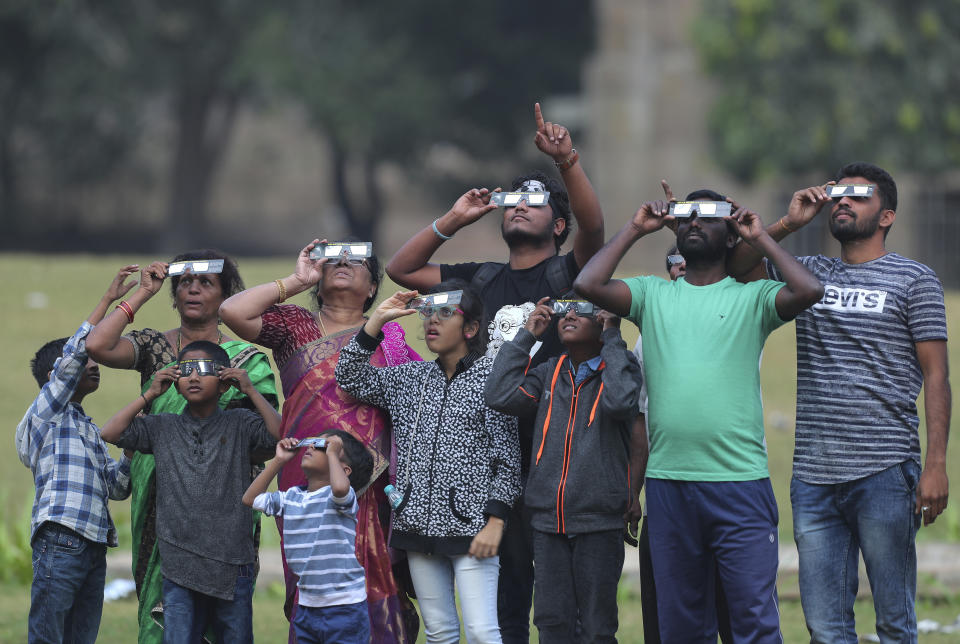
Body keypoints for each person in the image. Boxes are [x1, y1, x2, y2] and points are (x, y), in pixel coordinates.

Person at [385, 103, 605, 642]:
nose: (519, 209)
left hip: (555, 446)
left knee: (560, 598)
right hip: (490, 450)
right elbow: (401, 270)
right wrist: (454, 221)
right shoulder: (481, 279)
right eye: (513, 202)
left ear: (556, 223)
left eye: (536, 202)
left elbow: (595, 227)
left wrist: (566, 162)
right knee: (503, 593)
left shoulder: (569, 271)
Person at [574, 181, 824, 642]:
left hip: (739, 486)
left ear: (731, 235)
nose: (693, 221)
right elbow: (588, 283)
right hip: (670, 487)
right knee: (682, 626)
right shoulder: (652, 294)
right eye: (687, 214)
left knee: (753, 622)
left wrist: (760, 236)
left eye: (708, 215)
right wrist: (635, 228)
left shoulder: (753, 298)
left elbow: (809, 289)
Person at [728, 162, 951, 643]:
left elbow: (937, 375)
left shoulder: (915, 280)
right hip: (813, 477)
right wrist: (789, 223)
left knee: (894, 620)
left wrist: (935, 464)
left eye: (859, 196)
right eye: (838, 195)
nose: (843, 202)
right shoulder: (808, 273)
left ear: (886, 215)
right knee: (825, 626)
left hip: (886, 471)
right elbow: (737, 267)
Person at [218, 239, 421, 643]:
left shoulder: (391, 339)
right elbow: (231, 312)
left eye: (357, 258)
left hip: (373, 482)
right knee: (312, 574)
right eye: (333, 258)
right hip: (304, 475)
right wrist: (295, 279)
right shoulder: (296, 326)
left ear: (371, 288)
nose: (343, 261)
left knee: (375, 580)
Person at [85, 250, 277, 644]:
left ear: (226, 294)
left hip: (226, 507)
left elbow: (266, 441)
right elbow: (98, 346)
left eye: (205, 282)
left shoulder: (245, 362)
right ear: (173, 294)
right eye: (184, 282)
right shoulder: (155, 349)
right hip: (160, 499)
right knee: (165, 617)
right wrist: (142, 293)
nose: (192, 289)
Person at [335, 281, 522, 644]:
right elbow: (349, 375)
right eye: (428, 313)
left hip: (474, 529)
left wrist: (495, 522)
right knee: (439, 633)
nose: (432, 322)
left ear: (470, 328)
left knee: (483, 633)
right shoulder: (410, 378)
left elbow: (508, 459)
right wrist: (377, 321)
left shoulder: (493, 380)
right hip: (416, 526)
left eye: (446, 313)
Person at [100, 341, 282, 643]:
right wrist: (150, 394)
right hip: (179, 566)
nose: (194, 376)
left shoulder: (240, 424)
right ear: (175, 382)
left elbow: (280, 435)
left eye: (204, 369)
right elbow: (111, 432)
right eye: (186, 370)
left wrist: (250, 390)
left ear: (225, 384)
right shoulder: (161, 427)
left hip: (232, 563)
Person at [485, 297, 641, 643]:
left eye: (582, 309)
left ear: (602, 319)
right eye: (564, 309)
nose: (569, 314)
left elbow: (619, 402)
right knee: (552, 622)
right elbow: (499, 395)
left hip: (599, 519)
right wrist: (527, 337)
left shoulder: (620, 368)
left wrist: (613, 336)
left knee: (597, 626)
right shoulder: (548, 372)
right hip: (546, 520)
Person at [16, 266, 137, 644]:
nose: (94, 365)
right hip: (61, 538)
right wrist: (110, 302)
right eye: (88, 362)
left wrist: (132, 449)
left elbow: (116, 487)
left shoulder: (87, 427)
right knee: (49, 636)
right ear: (59, 374)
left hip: (93, 546)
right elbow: (74, 355)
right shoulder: (45, 414)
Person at [624, 245, 733, 644]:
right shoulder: (647, 336)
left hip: (730, 493)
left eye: (693, 262)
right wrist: (632, 492)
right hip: (666, 497)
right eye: (675, 264)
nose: (683, 271)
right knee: (667, 623)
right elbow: (641, 421)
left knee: (738, 618)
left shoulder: (735, 316)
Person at [244, 432, 374, 644]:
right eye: (313, 443)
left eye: (323, 445)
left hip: (345, 609)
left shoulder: (342, 499)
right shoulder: (292, 497)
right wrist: (279, 460)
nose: (312, 447)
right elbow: (250, 498)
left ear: (344, 470)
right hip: (307, 608)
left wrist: (332, 452)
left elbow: (340, 487)